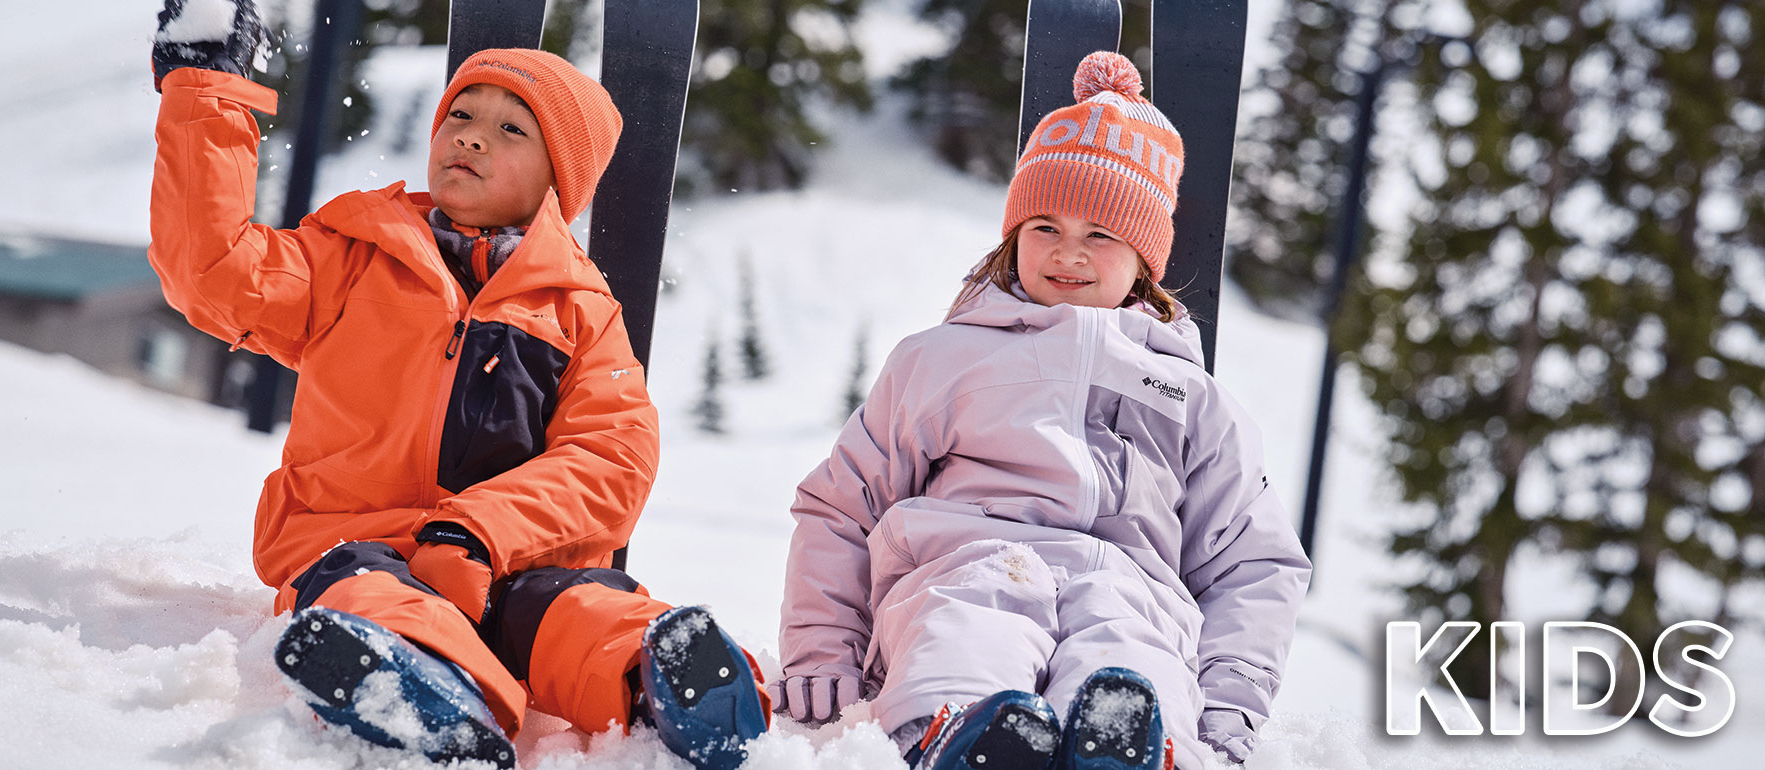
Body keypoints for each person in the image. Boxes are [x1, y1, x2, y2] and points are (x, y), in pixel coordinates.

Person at [146, 1, 766, 767]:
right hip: (356, 546)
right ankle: (423, 687)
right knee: (364, 600)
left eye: (512, 129)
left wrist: (478, 531)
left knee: (579, 615)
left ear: (559, 181)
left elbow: (611, 458)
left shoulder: (579, 311)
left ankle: (671, 683)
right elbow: (211, 270)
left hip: (509, 567)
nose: (471, 135)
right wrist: (205, 89)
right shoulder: (351, 256)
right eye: (461, 115)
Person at [772, 51, 1311, 770]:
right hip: (964, 567)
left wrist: (1230, 700)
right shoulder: (943, 359)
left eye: (1100, 234)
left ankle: (1125, 750)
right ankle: (958, 737)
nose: (1068, 254)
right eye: (1044, 227)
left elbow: (1252, 561)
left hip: (1130, 592)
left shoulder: (1192, 401)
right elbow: (842, 507)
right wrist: (823, 647)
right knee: (965, 634)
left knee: (1130, 665)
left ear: (1143, 259)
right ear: (1014, 236)